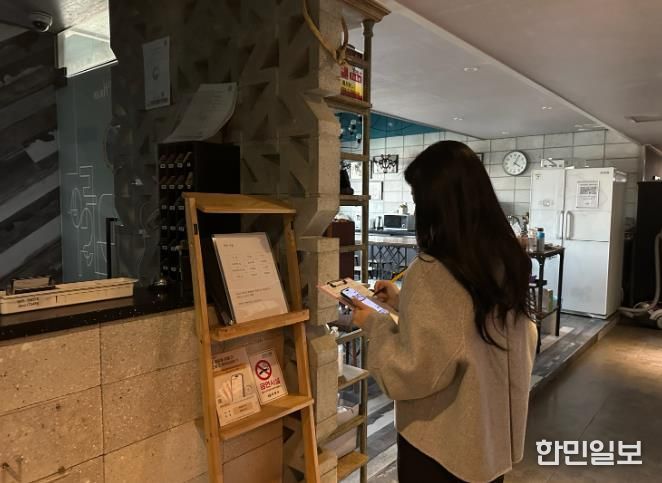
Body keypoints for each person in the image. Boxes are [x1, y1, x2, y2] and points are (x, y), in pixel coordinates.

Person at [352, 140, 537, 483]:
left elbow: (415, 370)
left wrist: (374, 324)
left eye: (418, 199)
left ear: (436, 204)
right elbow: (467, 323)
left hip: (442, 444)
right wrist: (403, 301)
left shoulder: (433, 270)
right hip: (489, 435)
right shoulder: (505, 258)